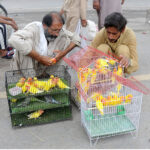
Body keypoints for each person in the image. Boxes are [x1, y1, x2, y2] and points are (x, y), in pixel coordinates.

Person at [8, 11, 80, 71]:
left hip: (46, 65)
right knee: (25, 44)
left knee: (65, 39)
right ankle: (28, 79)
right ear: (44, 25)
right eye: (54, 30)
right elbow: (13, 39)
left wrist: (62, 54)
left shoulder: (59, 29)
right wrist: (39, 57)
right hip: (28, 66)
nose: (57, 34)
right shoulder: (33, 28)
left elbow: (76, 39)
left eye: (59, 30)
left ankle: (51, 76)